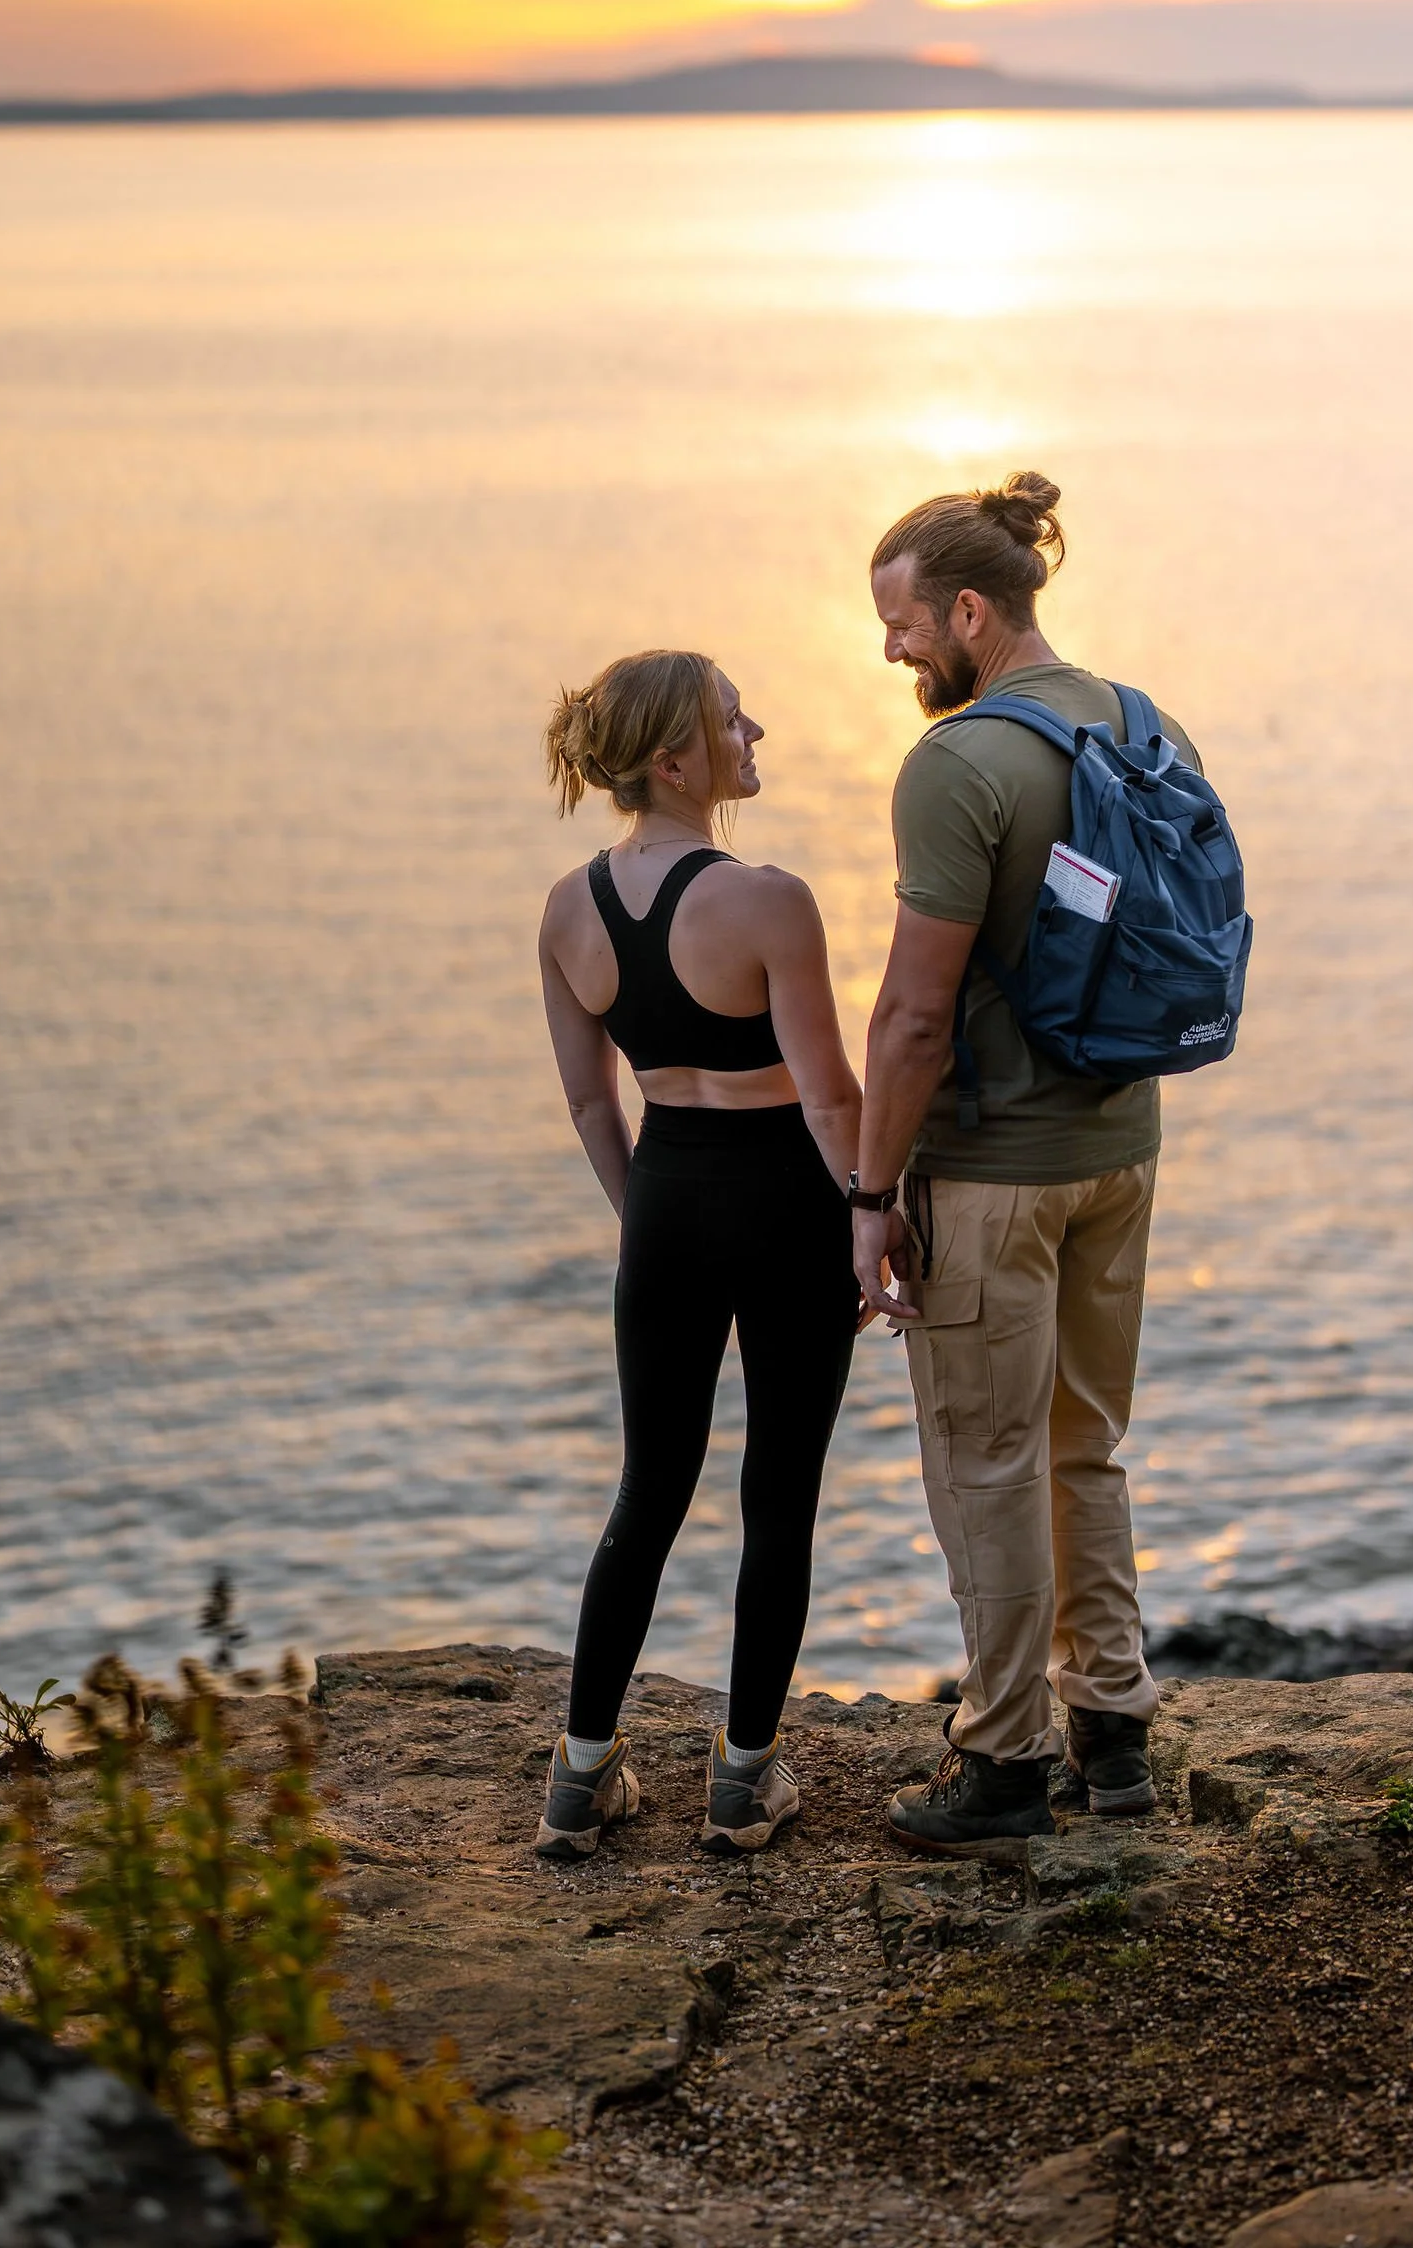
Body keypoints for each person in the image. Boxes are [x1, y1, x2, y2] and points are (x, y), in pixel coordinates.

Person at [847, 473, 1201, 1849]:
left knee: (984, 1463)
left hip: (994, 1175)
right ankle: (1111, 1735)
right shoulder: (1136, 718)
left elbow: (914, 1015)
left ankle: (999, 1759)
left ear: (971, 612)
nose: (889, 652)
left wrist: (871, 1197)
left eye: (899, 624)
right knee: (1082, 1448)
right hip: (1123, 1148)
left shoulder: (957, 764)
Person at [533, 648, 864, 1861]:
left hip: (665, 1197)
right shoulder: (767, 898)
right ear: (676, 758)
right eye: (733, 718)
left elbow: (586, 1105)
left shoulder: (569, 908)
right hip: (788, 1204)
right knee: (777, 1500)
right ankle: (741, 1782)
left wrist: (644, 1223)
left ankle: (578, 1778)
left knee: (646, 1493)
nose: (755, 726)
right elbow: (830, 1100)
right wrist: (875, 1213)